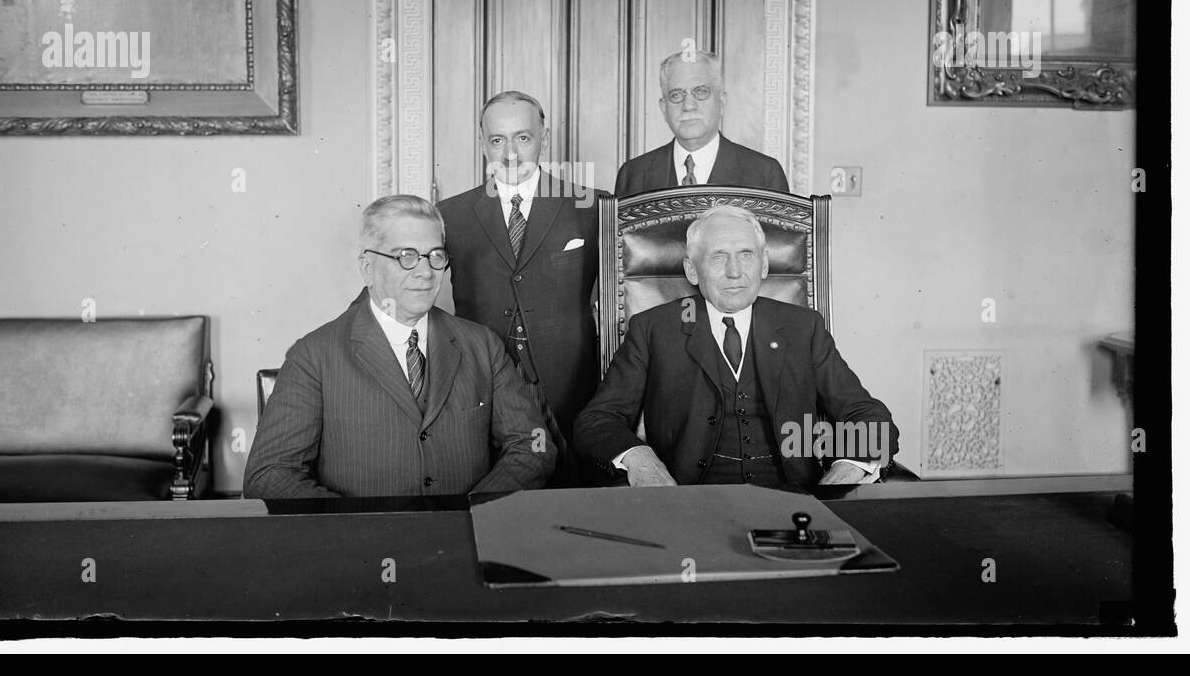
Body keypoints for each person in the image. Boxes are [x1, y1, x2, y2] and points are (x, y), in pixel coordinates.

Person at [243, 195, 555, 499]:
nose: (425, 272)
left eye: (435, 255)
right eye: (406, 255)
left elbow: (533, 445)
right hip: (363, 544)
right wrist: (359, 529)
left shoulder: (482, 345)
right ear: (368, 267)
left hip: (466, 539)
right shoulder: (313, 356)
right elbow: (269, 473)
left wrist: (473, 511)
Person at [574, 205, 895, 488]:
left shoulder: (803, 327)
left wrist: (849, 467)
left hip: (793, 500)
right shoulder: (653, 329)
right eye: (718, 257)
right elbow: (597, 420)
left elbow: (867, 415)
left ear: (764, 265)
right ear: (691, 270)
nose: (734, 272)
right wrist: (641, 459)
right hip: (690, 501)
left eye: (746, 254)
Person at [438, 91, 605, 482]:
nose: (510, 151)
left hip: (570, 390)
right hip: (483, 389)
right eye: (497, 140)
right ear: (483, 145)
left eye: (523, 138)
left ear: (544, 139)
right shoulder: (451, 215)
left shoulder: (592, 207)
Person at [614, 51, 788, 196]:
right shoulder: (633, 175)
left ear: (722, 103)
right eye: (676, 95)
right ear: (663, 108)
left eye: (701, 92)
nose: (688, 106)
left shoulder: (764, 174)